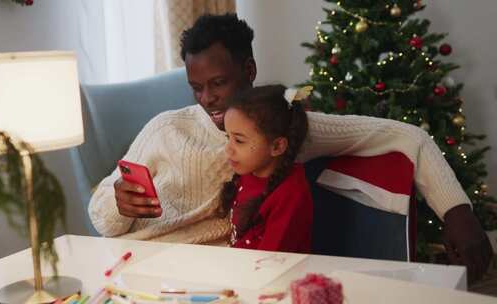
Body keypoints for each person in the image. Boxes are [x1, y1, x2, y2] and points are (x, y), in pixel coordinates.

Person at [88, 13, 492, 283]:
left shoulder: (284, 130)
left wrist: (459, 214)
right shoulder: (165, 129)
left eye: (218, 83)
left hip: (209, 279)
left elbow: (406, 137)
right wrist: (118, 204)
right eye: (196, 87)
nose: (207, 98)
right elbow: (102, 218)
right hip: (134, 266)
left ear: (248, 72)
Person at [219, 85, 312, 253]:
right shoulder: (247, 172)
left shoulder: (290, 194)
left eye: (239, 141)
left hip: (272, 274)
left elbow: (271, 263)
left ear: (277, 146)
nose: (228, 149)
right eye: (228, 137)